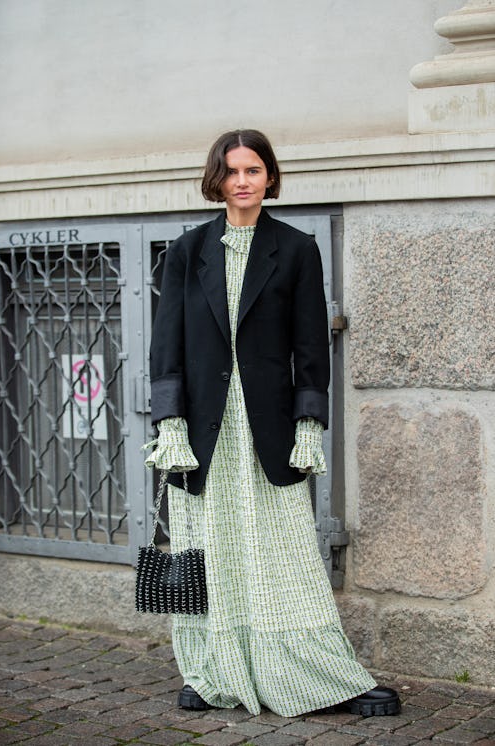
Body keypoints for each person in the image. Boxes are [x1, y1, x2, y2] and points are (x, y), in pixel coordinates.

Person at [145, 129, 400, 718]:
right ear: (217, 178)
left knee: (284, 551)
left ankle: (315, 673)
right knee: (208, 547)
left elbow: (312, 347)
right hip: (201, 434)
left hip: (269, 428)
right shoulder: (186, 251)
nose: (242, 180)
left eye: (254, 170)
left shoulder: (295, 248)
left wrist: (309, 424)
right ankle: (211, 671)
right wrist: (170, 424)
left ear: (269, 177)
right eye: (232, 170)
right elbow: (167, 349)